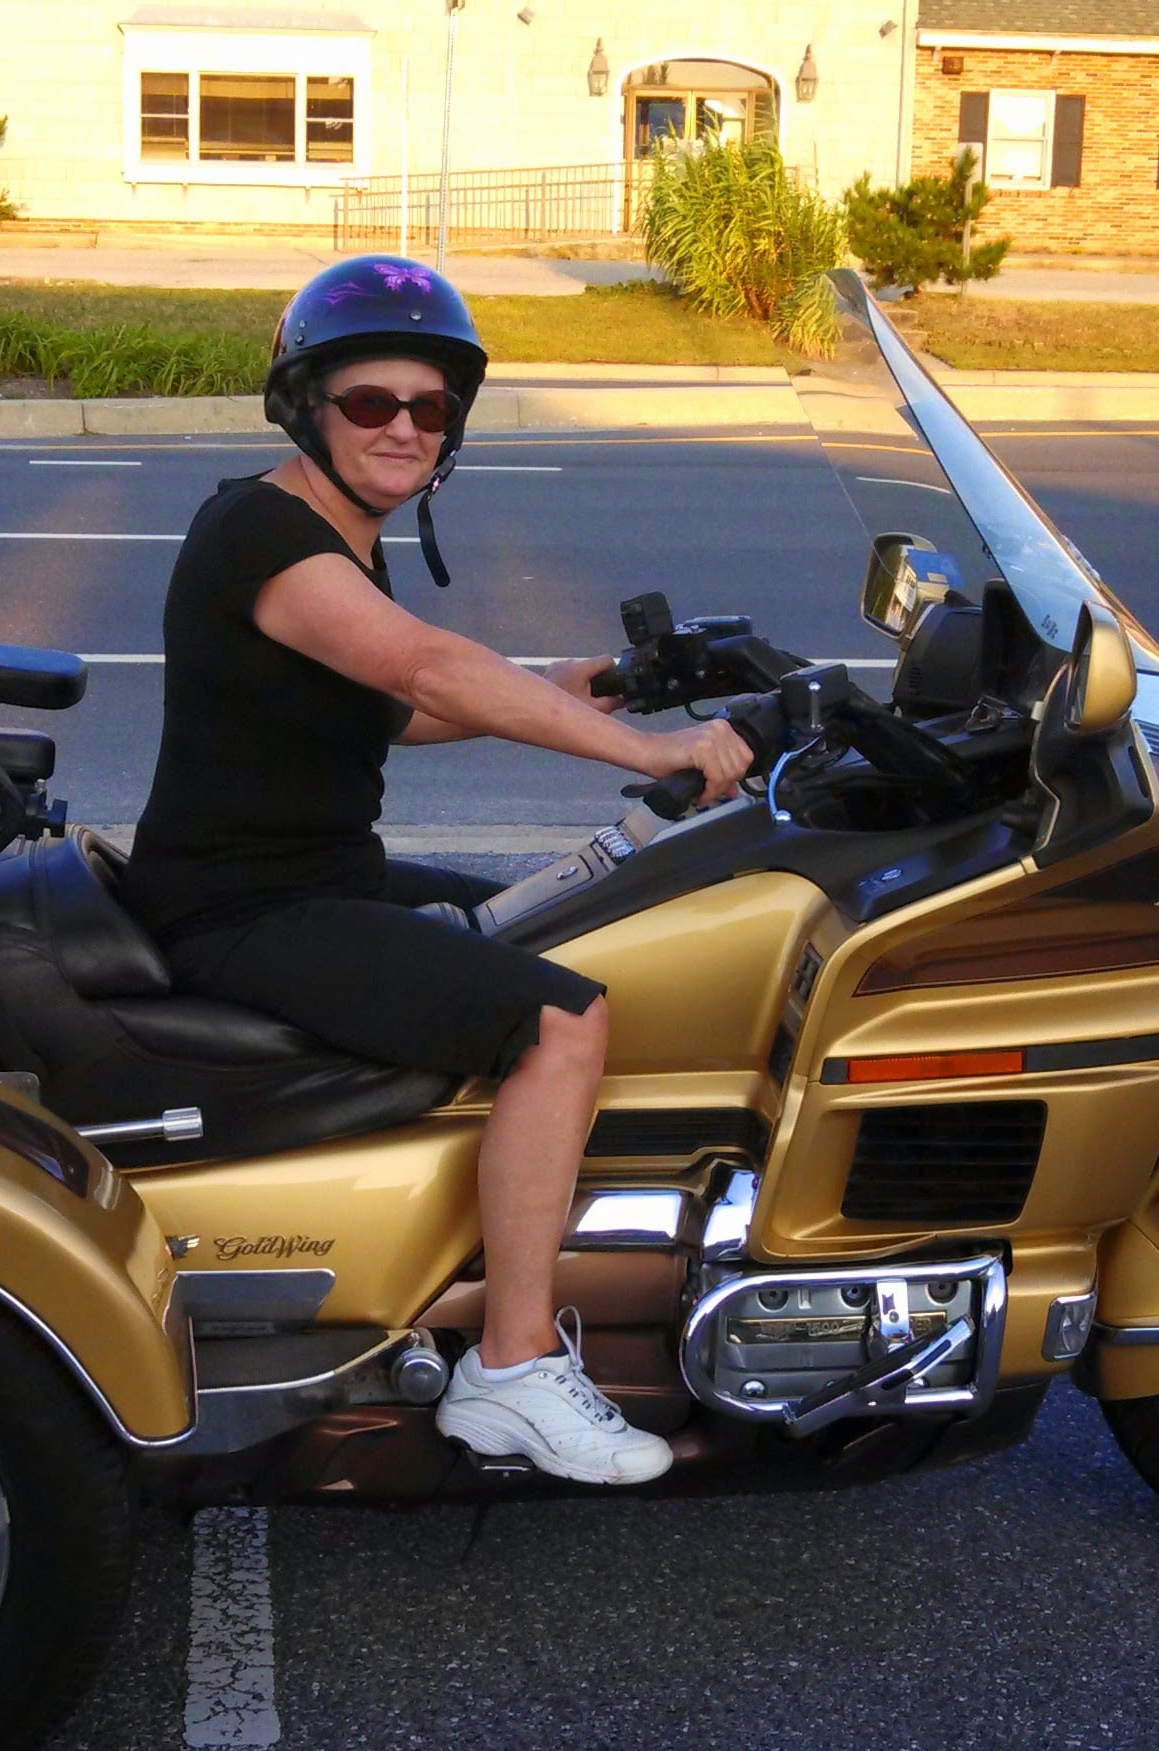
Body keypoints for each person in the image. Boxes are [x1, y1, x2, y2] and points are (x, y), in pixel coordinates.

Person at [116, 256, 751, 1485]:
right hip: (243, 909)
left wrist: (573, 685)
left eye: (430, 407)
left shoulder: (334, 537)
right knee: (565, 1019)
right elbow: (424, 670)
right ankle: (512, 1367)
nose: (404, 428)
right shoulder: (263, 531)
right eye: (372, 402)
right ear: (305, 407)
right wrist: (651, 752)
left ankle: (498, 1259)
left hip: (319, 878)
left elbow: (393, 712)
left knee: (588, 930)